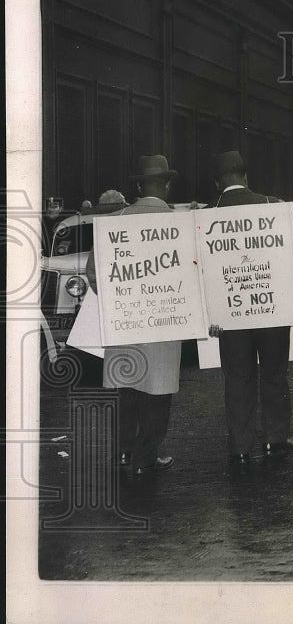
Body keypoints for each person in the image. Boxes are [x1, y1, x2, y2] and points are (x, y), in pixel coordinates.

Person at [85, 155, 181, 476]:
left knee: (126, 388)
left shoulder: (114, 222)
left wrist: (118, 299)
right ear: (166, 185)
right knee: (158, 390)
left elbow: (93, 274)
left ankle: (124, 453)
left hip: (124, 319)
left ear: (138, 186)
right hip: (165, 321)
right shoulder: (180, 224)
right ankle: (146, 457)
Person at [208, 150, 293, 465]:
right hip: (271, 311)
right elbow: (290, 261)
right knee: (274, 375)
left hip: (230, 318)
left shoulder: (208, 215)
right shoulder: (272, 207)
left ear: (218, 182)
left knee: (237, 379)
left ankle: (241, 447)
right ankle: (275, 438)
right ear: (246, 176)